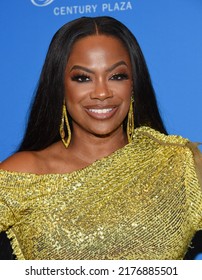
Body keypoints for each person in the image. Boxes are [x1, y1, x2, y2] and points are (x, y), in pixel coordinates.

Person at [0, 16, 201, 260]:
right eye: (83, 78)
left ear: (134, 84)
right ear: (60, 87)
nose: (102, 92)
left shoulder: (178, 165)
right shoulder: (21, 176)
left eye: (117, 76)